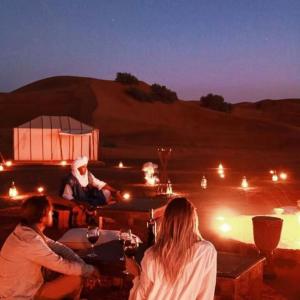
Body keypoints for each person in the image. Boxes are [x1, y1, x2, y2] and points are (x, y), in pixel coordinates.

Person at [0, 195, 100, 299]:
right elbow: (61, 264)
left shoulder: (25, 231)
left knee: (76, 271)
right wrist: (90, 270)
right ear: (42, 217)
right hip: (21, 296)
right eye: (50, 211)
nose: (52, 214)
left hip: (23, 289)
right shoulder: (30, 241)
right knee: (76, 278)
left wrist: (83, 266)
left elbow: (59, 247)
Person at [126, 197, 217, 300]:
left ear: (166, 222)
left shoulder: (152, 255)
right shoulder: (206, 252)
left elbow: (140, 297)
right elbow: (206, 295)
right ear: (193, 221)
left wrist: (137, 275)